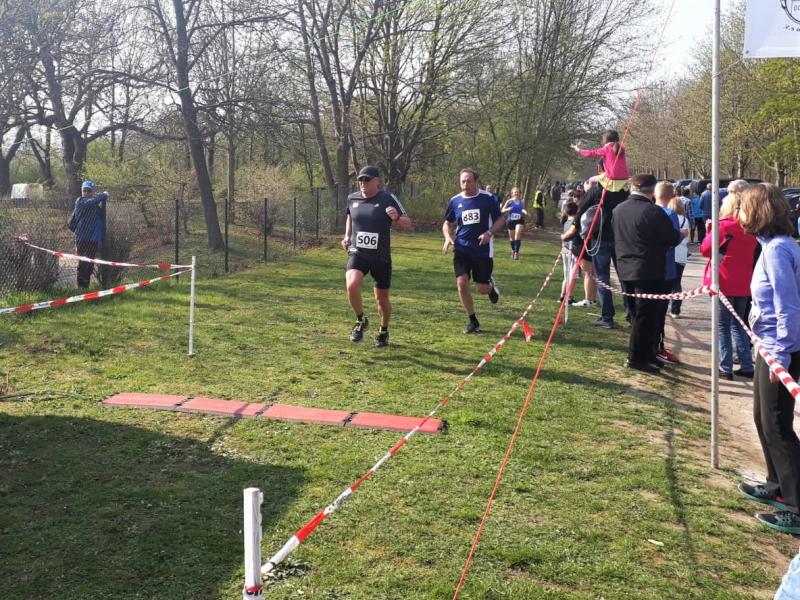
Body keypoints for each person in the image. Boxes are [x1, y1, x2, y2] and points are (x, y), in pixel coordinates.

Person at [733, 183, 800, 534]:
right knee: (762, 419)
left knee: (777, 425)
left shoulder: (778, 251)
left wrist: (781, 353)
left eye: (742, 207)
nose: (738, 214)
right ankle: (777, 486)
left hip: (780, 350)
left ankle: (796, 505)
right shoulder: (769, 246)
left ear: (759, 212)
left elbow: (787, 306)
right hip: (767, 346)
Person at [612, 174, 682, 374]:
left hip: (625, 268)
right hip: (648, 270)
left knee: (637, 315)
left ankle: (647, 352)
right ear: (652, 191)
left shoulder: (618, 209)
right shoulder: (653, 212)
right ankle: (636, 357)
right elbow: (671, 238)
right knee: (646, 316)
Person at [342, 165, 412, 347]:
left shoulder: (387, 198)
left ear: (377, 181)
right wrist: (347, 236)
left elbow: (408, 223)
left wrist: (396, 218)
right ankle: (360, 320)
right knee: (352, 284)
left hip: (380, 256)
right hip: (358, 252)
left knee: (381, 299)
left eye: (367, 179)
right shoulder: (352, 198)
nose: (363, 183)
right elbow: (350, 216)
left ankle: (383, 331)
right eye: (360, 180)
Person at [700, 186, 757, 379]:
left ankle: (725, 367)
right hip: (743, 281)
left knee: (722, 326)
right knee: (739, 324)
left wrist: (709, 231)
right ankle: (747, 365)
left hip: (723, 280)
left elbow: (705, 250)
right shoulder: (750, 228)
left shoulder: (723, 226)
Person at [442, 168, 505, 334]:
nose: (465, 184)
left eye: (469, 181)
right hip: (461, 248)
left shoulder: (488, 198)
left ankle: (490, 287)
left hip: (482, 250)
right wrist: (447, 237)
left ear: (476, 182)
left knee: (482, 288)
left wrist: (489, 233)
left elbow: (500, 219)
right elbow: (448, 223)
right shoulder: (455, 201)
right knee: (461, 283)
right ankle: (473, 320)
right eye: (463, 181)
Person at [653, 182, 681, 364]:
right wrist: (682, 236)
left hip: (648, 267)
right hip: (665, 267)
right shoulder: (671, 214)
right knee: (659, 312)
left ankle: (653, 346)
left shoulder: (648, 211)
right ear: (672, 196)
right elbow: (674, 239)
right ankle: (658, 347)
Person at [67, 180, 109, 288]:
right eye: (84, 190)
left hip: (93, 239)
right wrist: (104, 195)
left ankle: (86, 286)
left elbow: (101, 220)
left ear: (93, 192)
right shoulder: (80, 201)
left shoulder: (95, 206)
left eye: (89, 191)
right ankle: (80, 287)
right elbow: (93, 201)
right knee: (82, 263)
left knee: (90, 264)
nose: (86, 193)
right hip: (81, 238)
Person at [571, 130, 630, 196]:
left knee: (591, 180)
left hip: (612, 177)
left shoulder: (606, 148)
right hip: (625, 177)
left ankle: (589, 195)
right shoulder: (622, 149)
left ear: (606, 139)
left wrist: (578, 150)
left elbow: (591, 153)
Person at [667, 195, 690, 317]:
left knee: (667, 282)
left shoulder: (669, 218)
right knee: (677, 283)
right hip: (681, 255)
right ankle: (676, 309)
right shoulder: (685, 220)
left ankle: (665, 306)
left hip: (670, 254)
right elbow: (688, 238)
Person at [501, 187, 528, 259]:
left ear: (520, 193)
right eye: (515, 192)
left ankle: (516, 253)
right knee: (512, 238)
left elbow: (522, 209)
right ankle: (513, 250)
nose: (516, 193)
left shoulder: (522, 202)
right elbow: (502, 210)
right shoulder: (509, 201)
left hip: (519, 220)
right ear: (512, 193)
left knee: (517, 234)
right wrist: (507, 209)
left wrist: (525, 212)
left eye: (517, 192)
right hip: (511, 221)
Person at [560, 201, 578, 304]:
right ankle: (569, 296)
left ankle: (563, 294)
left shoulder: (566, 222)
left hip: (565, 248)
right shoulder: (574, 222)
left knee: (566, 273)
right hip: (572, 250)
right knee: (572, 274)